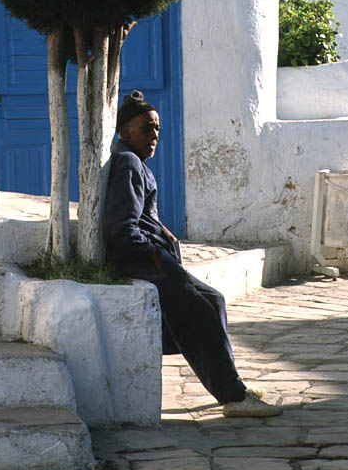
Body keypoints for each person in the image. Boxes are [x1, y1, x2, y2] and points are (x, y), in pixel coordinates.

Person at [104, 90, 282, 417]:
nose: (154, 135)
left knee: (213, 301)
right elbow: (122, 227)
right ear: (125, 132)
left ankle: (232, 382)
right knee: (199, 312)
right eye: (146, 129)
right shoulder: (128, 162)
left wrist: (165, 236)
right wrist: (158, 256)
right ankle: (234, 397)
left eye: (157, 129)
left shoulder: (136, 162)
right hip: (146, 262)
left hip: (157, 258)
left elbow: (144, 217)